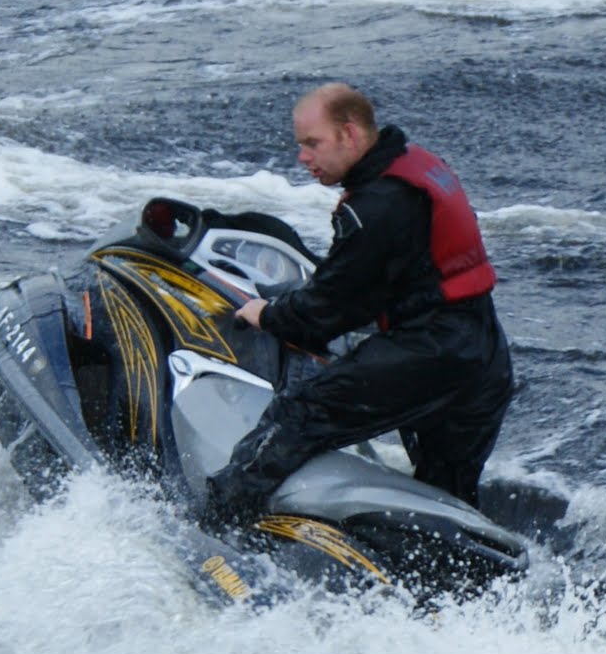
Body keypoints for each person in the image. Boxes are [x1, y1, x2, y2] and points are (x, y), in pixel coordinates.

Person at [207, 82, 513, 518]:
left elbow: (324, 314)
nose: (303, 157)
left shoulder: (375, 206)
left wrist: (268, 315)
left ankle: (216, 520)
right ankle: (453, 580)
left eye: (312, 143)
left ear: (350, 134)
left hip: (432, 350)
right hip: (484, 353)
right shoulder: (417, 167)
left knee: (299, 413)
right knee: (448, 491)